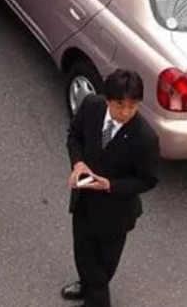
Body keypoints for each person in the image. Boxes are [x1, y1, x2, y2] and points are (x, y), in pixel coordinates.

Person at [61, 68, 160, 306]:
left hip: (116, 214)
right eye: (119, 105)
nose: (126, 113)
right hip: (84, 201)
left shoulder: (145, 137)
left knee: (104, 265)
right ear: (107, 99)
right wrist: (78, 162)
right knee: (83, 255)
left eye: (133, 106)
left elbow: (148, 180)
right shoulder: (91, 107)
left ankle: (95, 298)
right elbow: (74, 135)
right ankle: (87, 286)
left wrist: (110, 184)